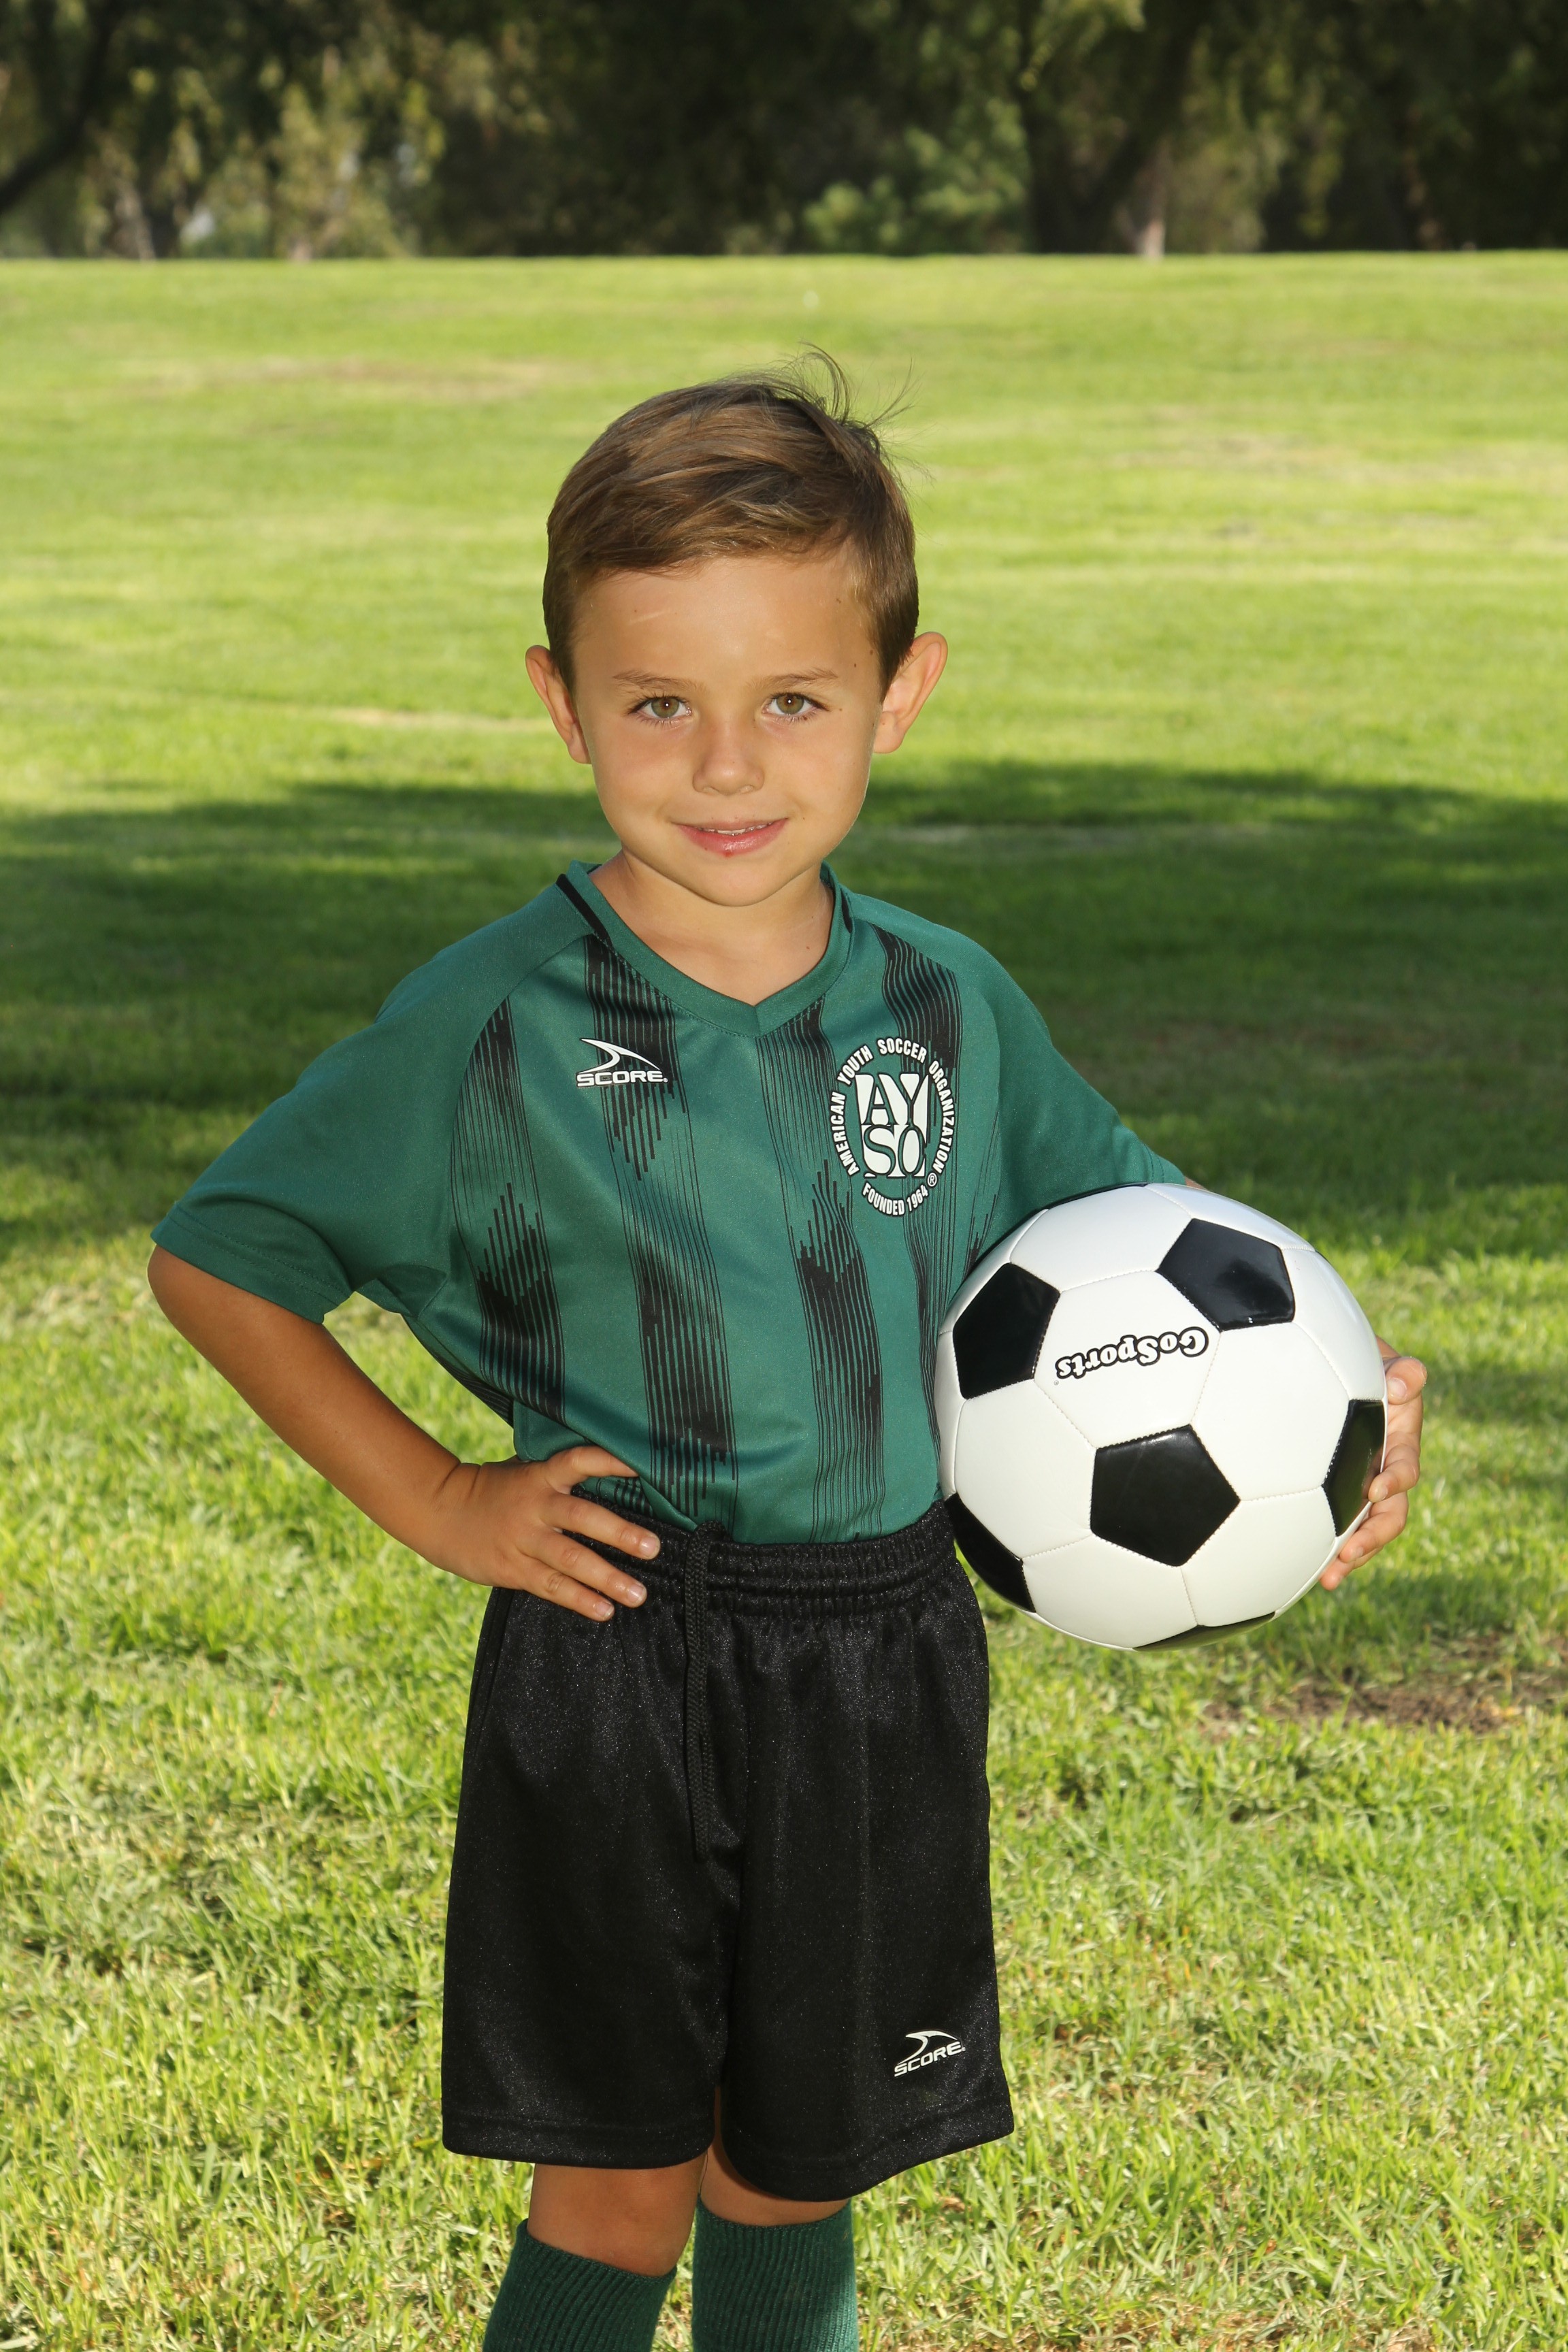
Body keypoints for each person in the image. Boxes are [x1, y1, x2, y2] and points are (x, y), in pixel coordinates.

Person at [147, 362, 1426, 2352]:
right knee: (617, 2176)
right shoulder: (492, 1021)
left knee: (799, 2162)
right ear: (564, 702)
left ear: (900, 694)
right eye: (659, 703)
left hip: (882, 1655)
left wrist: (1348, 1403)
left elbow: (1174, 1260)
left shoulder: (947, 1005)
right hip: (621, 1653)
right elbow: (222, 1256)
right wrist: (442, 1497)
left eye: (796, 703)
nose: (727, 763)